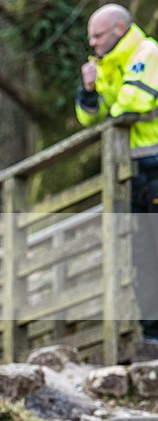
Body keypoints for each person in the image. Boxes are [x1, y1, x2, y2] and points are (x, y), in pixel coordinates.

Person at [75, 4, 158, 346]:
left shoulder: (147, 51)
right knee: (141, 256)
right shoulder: (104, 66)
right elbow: (88, 118)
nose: (92, 43)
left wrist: (111, 99)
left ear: (120, 29)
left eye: (98, 35)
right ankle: (152, 336)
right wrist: (90, 90)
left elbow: (133, 102)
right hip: (131, 173)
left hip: (154, 163)